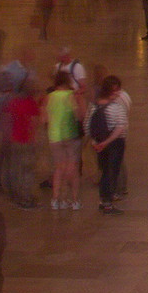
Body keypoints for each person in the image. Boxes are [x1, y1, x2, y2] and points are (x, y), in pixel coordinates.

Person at [88, 76, 129, 214]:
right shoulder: (116, 107)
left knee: (104, 170)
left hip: (99, 143)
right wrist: (107, 142)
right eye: (116, 91)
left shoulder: (93, 106)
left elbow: (88, 125)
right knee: (112, 172)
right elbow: (120, 127)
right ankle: (107, 202)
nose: (118, 93)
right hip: (114, 144)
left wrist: (96, 142)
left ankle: (103, 200)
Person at [44, 71, 82, 210]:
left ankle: (56, 199)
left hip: (54, 136)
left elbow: (45, 119)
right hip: (69, 135)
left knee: (59, 168)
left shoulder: (49, 97)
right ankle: (74, 200)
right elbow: (78, 116)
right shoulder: (70, 96)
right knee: (72, 168)